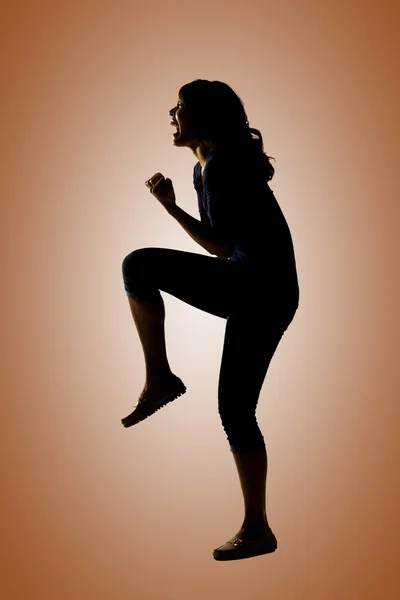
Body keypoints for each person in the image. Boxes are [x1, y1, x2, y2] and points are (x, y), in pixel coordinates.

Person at [121, 79, 300, 561]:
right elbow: (228, 249)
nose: (171, 114)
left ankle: (159, 378)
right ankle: (257, 529)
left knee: (138, 265)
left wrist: (170, 207)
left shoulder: (223, 167)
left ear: (205, 116)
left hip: (258, 289)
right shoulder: (207, 169)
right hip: (259, 290)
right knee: (236, 411)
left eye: (180, 107)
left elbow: (221, 248)